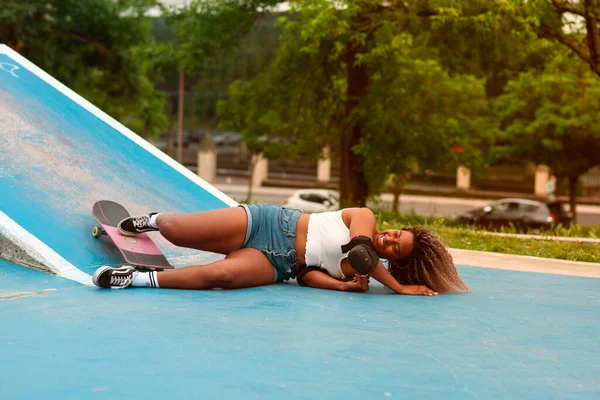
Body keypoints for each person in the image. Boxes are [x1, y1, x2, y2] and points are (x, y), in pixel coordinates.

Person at [92, 204, 469, 295]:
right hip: (270, 223)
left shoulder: (368, 270)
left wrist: (343, 287)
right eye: (395, 233)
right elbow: (360, 254)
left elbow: (308, 276)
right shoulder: (366, 220)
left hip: (279, 263)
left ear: (396, 260)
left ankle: (137, 279)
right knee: (176, 231)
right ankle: (154, 220)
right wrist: (399, 289)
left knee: (221, 276)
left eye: (395, 247)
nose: (388, 238)